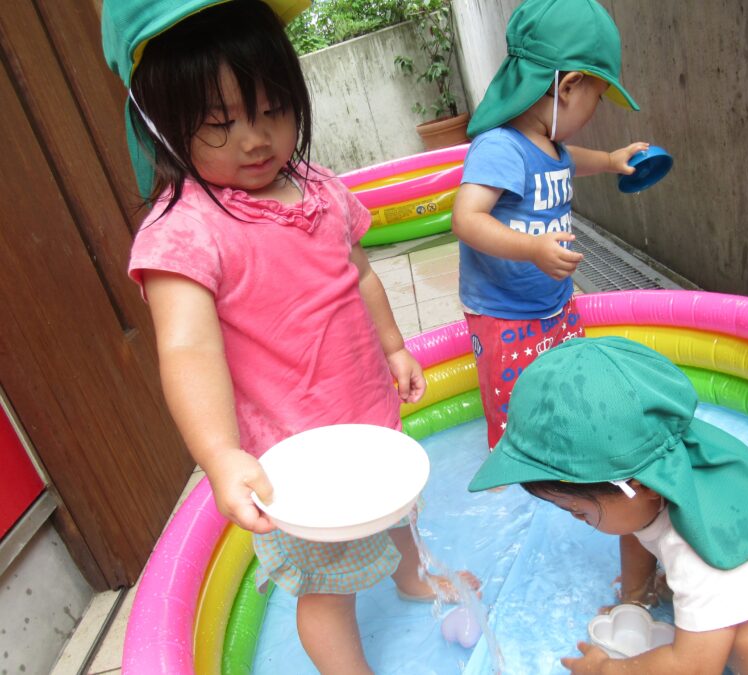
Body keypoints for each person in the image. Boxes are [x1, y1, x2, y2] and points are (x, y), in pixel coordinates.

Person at [101, 2, 478, 672]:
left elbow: (360, 274)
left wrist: (394, 347)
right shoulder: (185, 231)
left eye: (273, 110)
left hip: (365, 414)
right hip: (297, 461)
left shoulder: (317, 188)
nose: (256, 139)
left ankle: (413, 575)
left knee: (398, 509)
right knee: (328, 589)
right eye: (221, 123)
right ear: (164, 124)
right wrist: (220, 455)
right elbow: (187, 350)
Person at [468, 337, 748, 674]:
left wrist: (608, 670)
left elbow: (694, 667)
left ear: (637, 485)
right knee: (709, 603)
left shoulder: (708, 541)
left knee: (736, 631)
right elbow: (635, 526)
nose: (578, 522)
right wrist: (635, 599)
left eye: (579, 512)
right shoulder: (661, 460)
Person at [451, 0, 649, 451]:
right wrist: (533, 248)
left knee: (564, 392)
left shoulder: (551, 145)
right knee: (516, 411)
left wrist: (611, 160)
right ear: (569, 86)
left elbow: (572, 161)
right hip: (505, 313)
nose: (595, 111)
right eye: (597, 99)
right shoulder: (501, 147)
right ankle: (513, 471)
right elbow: (466, 218)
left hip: (554, 303)